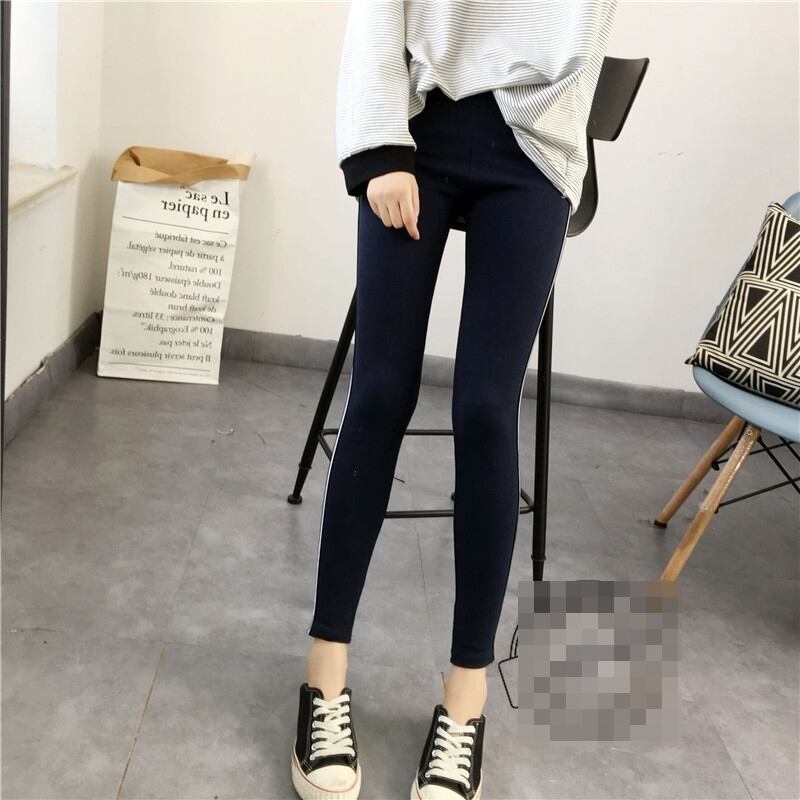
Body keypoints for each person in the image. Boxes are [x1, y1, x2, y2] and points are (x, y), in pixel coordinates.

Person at [291, 2, 619, 798]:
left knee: (484, 410)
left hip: (537, 145)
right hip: (416, 127)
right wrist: (379, 149)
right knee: (380, 390)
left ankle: (465, 699)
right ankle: (324, 671)